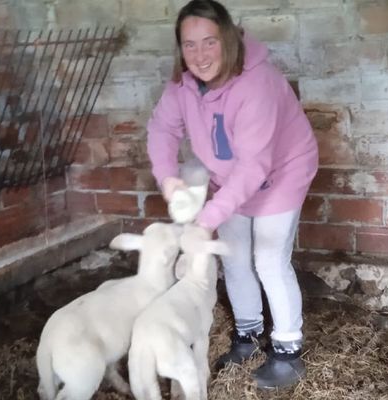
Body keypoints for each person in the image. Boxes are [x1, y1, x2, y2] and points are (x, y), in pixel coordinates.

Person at [146, 0, 318, 390]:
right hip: (230, 178)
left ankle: (288, 350)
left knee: (270, 258)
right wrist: (167, 177)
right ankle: (249, 334)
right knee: (235, 255)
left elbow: (255, 165)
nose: (200, 55)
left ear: (227, 39)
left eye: (209, 42)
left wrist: (206, 220)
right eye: (189, 44)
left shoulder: (257, 83)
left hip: (280, 173)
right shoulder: (182, 85)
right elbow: (161, 130)